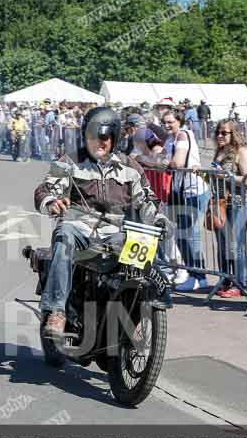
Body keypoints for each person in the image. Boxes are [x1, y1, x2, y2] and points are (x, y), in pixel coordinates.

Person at [33, 107, 168, 336]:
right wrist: (52, 201)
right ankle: (57, 311)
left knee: (144, 251)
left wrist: (159, 220)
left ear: (114, 137)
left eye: (103, 137)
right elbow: (46, 188)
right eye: (92, 136)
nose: (97, 142)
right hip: (80, 229)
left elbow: (146, 199)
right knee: (63, 234)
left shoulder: (131, 167)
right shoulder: (70, 162)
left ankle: (133, 315)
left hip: (116, 232)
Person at [161, 109, 211, 291]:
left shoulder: (182, 135)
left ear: (179, 121)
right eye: (164, 122)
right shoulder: (170, 139)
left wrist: (164, 162)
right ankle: (192, 273)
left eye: (170, 122)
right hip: (180, 191)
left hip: (193, 190)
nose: (167, 125)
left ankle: (199, 276)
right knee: (183, 235)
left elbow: (178, 163)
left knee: (190, 235)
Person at [209, 119, 247, 297]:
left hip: (239, 203)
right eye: (218, 132)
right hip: (220, 202)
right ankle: (226, 278)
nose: (219, 135)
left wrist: (227, 176)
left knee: (235, 243)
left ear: (233, 134)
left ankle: (240, 283)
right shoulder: (219, 151)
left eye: (224, 133)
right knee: (222, 243)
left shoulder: (241, 152)